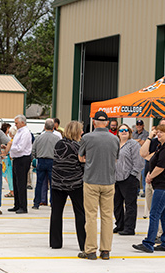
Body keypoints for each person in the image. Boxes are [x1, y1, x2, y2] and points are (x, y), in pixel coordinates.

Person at [133, 123, 165, 253]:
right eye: (158, 131)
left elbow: (161, 166)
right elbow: (147, 156)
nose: (158, 134)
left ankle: (149, 243)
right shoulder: (162, 146)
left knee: (154, 214)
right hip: (164, 185)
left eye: (162, 132)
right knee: (164, 215)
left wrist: (150, 177)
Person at [78, 110, 119, 260]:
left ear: (94, 122)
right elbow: (116, 158)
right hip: (108, 181)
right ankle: (106, 250)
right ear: (107, 123)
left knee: (91, 216)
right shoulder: (114, 139)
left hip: (91, 180)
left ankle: (90, 250)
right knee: (107, 217)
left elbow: (81, 157)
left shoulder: (87, 137)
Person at [50, 121, 86, 250]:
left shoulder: (58, 144)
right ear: (76, 131)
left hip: (57, 182)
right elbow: (82, 164)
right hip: (74, 183)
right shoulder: (78, 146)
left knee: (56, 212)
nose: (82, 132)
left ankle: (55, 242)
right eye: (81, 130)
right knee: (80, 212)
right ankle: (83, 243)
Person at [139, 119, 165, 238]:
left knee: (156, 212)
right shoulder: (157, 142)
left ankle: (153, 239)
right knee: (156, 211)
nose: (160, 132)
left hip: (162, 183)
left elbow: (160, 164)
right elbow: (143, 154)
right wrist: (149, 137)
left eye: (164, 129)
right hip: (152, 180)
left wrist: (150, 176)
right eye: (159, 128)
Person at [113, 124, 145, 236]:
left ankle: (129, 228)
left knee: (130, 204)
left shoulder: (134, 144)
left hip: (129, 179)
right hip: (116, 179)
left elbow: (139, 162)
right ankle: (120, 225)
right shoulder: (115, 144)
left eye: (126, 130)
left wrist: (133, 175)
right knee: (116, 204)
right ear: (118, 132)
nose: (123, 132)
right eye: (121, 130)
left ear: (130, 132)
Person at [6, 115, 32, 214]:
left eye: (16, 123)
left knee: (21, 183)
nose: (15, 125)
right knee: (16, 183)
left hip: (23, 159)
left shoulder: (25, 133)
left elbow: (20, 147)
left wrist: (10, 147)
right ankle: (17, 204)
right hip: (17, 159)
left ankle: (23, 206)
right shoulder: (19, 132)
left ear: (22, 122)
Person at [31, 119, 58, 209]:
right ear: (53, 127)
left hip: (41, 161)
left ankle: (36, 203)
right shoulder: (56, 138)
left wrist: (35, 158)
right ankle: (53, 202)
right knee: (53, 184)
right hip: (52, 162)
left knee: (39, 183)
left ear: (44, 127)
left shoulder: (39, 138)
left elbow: (33, 150)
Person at [132, 120, 149, 197]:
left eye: (140, 125)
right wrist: (138, 140)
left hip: (143, 156)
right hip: (134, 156)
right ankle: (136, 190)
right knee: (135, 174)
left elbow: (142, 143)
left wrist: (135, 141)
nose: (139, 126)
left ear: (143, 126)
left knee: (143, 174)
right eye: (137, 125)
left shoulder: (146, 133)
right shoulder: (133, 133)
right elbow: (130, 142)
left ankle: (145, 191)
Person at [1, 124, 14, 198]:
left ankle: (12, 190)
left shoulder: (7, 138)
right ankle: (12, 190)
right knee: (7, 174)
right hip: (6, 158)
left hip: (7, 158)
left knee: (8, 174)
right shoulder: (4, 137)